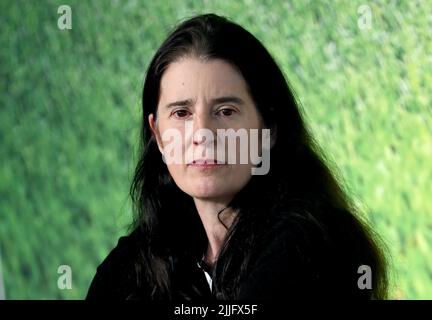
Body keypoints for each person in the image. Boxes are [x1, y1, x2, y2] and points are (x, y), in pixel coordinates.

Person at [86, 13, 388, 301]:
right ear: (158, 135)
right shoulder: (140, 257)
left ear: (268, 128)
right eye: (181, 113)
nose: (202, 133)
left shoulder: (312, 238)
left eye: (225, 112)